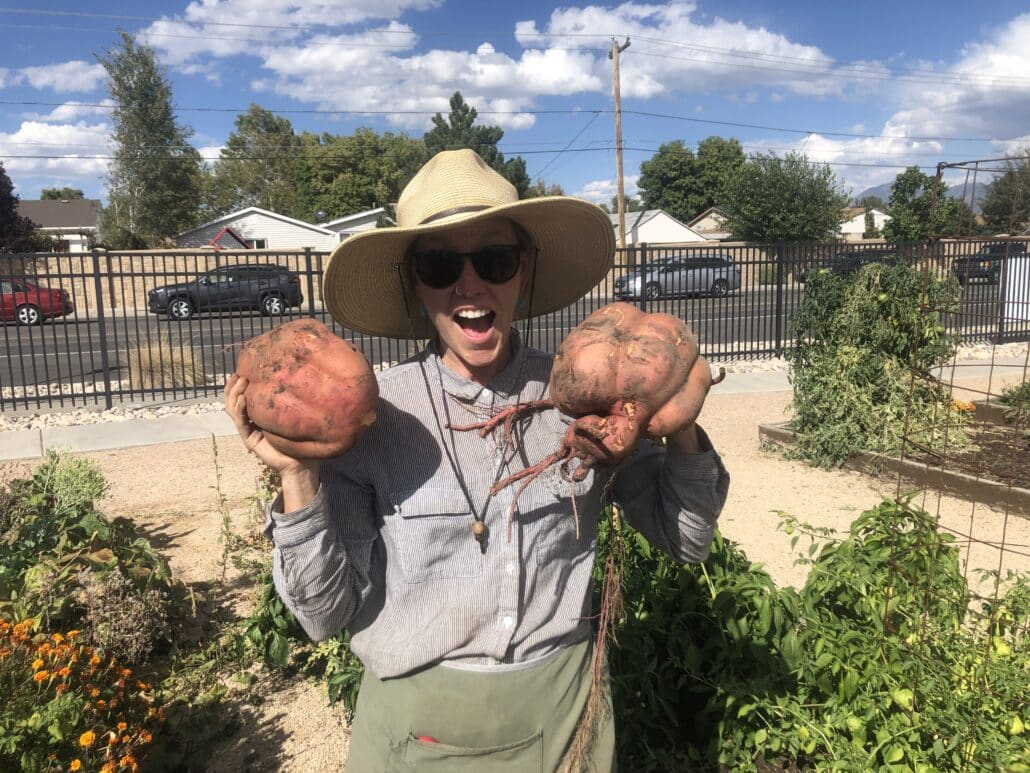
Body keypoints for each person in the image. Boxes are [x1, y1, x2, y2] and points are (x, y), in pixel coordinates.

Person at [224, 149, 729, 771]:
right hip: (417, 728)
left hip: (566, 717)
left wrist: (680, 432)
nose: (469, 284)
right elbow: (323, 616)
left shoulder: (584, 394)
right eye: (439, 264)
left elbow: (690, 541)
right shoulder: (375, 417)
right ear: (416, 284)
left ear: (525, 270)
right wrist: (297, 474)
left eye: (494, 259)